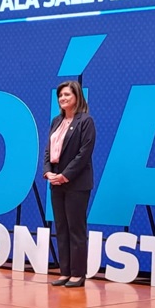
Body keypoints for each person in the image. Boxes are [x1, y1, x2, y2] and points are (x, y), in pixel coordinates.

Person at [43, 80, 96, 288]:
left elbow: (84, 154)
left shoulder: (86, 121)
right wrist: (48, 172)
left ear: (77, 97)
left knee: (76, 229)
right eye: (60, 95)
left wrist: (65, 175)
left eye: (67, 95)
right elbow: (49, 149)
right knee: (61, 228)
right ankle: (64, 272)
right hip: (55, 181)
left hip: (76, 183)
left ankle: (77, 274)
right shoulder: (56, 120)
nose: (63, 98)